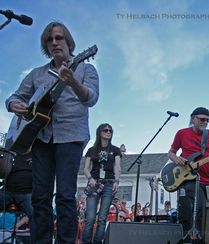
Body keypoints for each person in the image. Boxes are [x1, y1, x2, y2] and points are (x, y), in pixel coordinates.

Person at [5, 21, 99, 243]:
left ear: (68, 42)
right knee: (40, 197)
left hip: (72, 135)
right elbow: (14, 97)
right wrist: (13, 105)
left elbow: (91, 98)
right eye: (50, 40)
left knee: (66, 195)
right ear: (46, 46)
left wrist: (73, 82)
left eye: (59, 38)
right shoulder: (37, 74)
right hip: (41, 137)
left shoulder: (86, 68)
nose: (55, 43)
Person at [168, 107, 209, 243]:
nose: (205, 122)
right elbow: (171, 152)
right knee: (197, 208)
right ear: (193, 119)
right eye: (202, 119)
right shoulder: (182, 133)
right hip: (189, 178)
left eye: (207, 120)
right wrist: (177, 159)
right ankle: (195, 239)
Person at [82, 123, 121, 244]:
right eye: (106, 130)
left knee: (103, 217)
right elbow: (86, 168)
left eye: (110, 130)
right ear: (100, 132)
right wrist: (90, 179)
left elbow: (117, 167)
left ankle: (98, 242)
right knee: (90, 218)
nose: (109, 132)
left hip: (109, 183)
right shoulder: (91, 150)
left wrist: (117, 181)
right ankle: (86, 242)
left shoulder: (115, 150)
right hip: (94, 184)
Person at [0, 153, 33, 240]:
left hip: (27, 193)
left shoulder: (37, 153)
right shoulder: (11, 152)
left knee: (38, 213)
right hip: (7, 191)